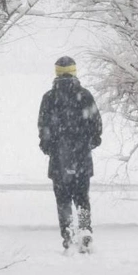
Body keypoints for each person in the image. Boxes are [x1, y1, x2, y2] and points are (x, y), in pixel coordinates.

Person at [38, 56, 102, 252]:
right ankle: (85, 229)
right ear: (75, 72)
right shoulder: (85, 96)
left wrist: (49, 147)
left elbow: (43, 127)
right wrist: (89, 142)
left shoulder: (49, 98)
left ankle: (68, 233)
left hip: (59, 159)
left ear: (56, 72)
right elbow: (96, 125)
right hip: (82, 157)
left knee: (63, 199)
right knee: (82, 197)